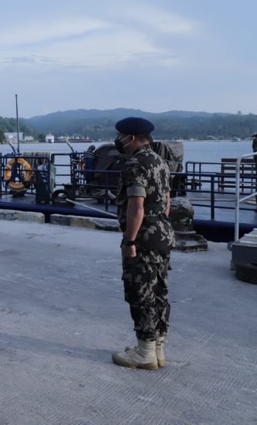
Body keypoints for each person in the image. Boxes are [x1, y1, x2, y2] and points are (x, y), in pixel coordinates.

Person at [111, 117, 175, 370]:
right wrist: (158, 227)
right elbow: (167, 200)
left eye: (120, 135)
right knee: (159, 290)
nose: (117, 140)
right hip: (162, 233)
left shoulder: (135, 164)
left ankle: (144, 351)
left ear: (132, 138)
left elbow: (136, 205)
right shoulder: (160, 161)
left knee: (140, 292)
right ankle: (157, 347)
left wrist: (130, 240)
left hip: (144, 238)